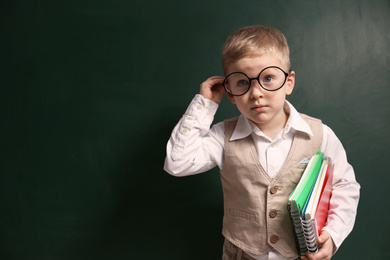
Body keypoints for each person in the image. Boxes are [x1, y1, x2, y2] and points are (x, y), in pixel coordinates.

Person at [163, 25, 360, 260]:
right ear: (229, 92)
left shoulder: (319, 133)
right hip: (241, 254)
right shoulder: (222, 136)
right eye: (242, 83)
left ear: (288, 82)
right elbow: (177, 163)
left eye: (268, 78)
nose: (256, 93)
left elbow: (345, 186)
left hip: (300, 255)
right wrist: (204, 105)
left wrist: (333, 234)